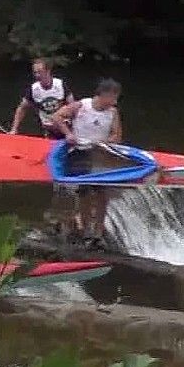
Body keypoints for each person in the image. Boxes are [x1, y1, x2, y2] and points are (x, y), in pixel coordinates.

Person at [51, 79, 123, 248]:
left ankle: (98, 234)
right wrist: (68, 134)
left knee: (102, 195)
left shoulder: (113, 113)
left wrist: (105, 142)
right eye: (114, 97)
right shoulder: (82, 106)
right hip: (80, 154)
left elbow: (117, 136)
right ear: (105, 95)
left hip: (100, 155)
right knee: (84, 194)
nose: (115, 101)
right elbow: (57, 117)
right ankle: (86, 232)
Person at [8, 58, 74, 138]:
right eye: (35, 72)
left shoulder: (60, 84)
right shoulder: (33, 89)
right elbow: (22, 108)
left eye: (40, 72)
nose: (37, 75)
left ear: (48, 71)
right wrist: (14, 129)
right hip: (49, 130)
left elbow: (72, 105)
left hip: (66, 127)